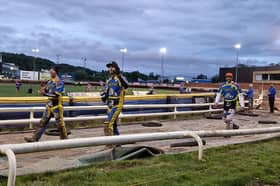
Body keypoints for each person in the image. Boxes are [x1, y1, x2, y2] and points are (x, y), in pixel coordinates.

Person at [24, 66, 68, 142]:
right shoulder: (50, 81)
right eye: (50, 71)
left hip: (57, 106)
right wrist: (42, 90)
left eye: (51, 71)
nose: (50, 72)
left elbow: (56, 95)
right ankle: (34, 138)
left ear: (55, 71)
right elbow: (46, 90)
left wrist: (44, 93)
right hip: (49, 106)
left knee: (60, 125)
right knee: (42, 122)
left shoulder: (59, 82)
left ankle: (64, 140)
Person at [100, 61, 128, 137]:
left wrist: (118, 75)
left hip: (117, 105)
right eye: (109, 67)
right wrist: (104, 96)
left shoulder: (120, 78)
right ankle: (118, 141)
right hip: (109, 105)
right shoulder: (108, 80)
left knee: (108, 124)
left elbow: (126, 86)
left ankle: (110, 144)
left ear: (116, 68)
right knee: (114, 124)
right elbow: (107, 92)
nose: (110, 68)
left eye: (112, 67)